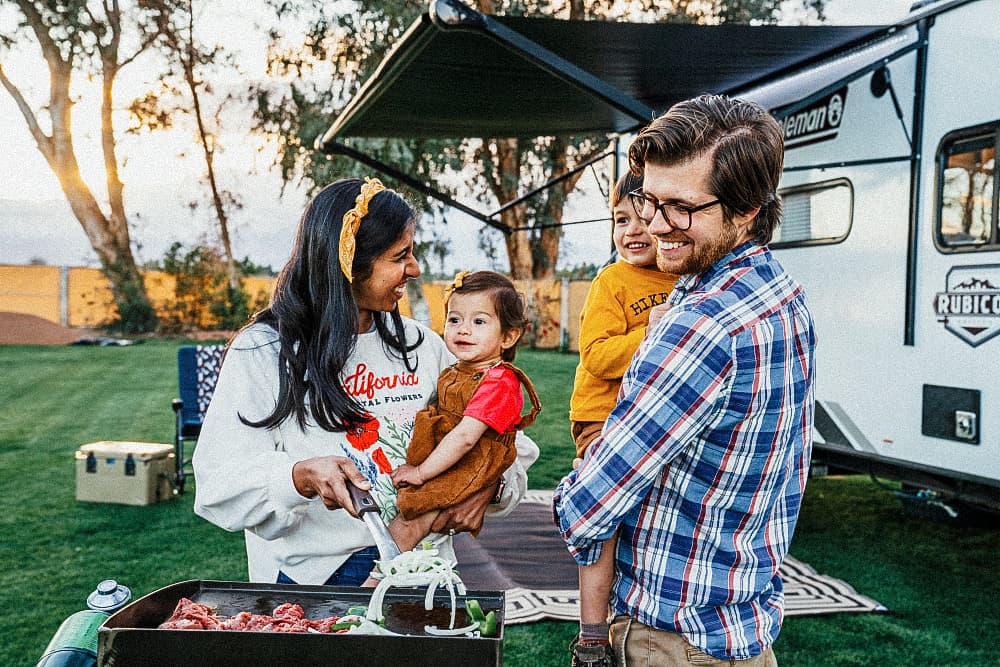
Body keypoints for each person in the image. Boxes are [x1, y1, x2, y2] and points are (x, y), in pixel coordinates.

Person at [554, 94, 817, 667]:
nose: (654, 224)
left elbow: (588, 509)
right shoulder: (782, 293)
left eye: (679, 207)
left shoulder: (701, 327)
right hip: (740, 628)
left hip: (672, 642)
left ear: (746, 210)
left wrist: (577, 480)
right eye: (650, 200)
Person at [193, 177, 537, 587]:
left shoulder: (424, 347)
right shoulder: (264, 351)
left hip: (426, 575)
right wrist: (300, 476)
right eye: (400, 256)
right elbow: (218, 485)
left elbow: (511, 448)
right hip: (320, 582)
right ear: (349, 264)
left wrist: (490, 488)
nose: (415, 268)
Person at [359, 271, 541, 585]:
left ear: (509, 337)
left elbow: (466, 437)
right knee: (414, 518)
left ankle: (373, 583)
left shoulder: (498, 381)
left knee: (411, 519)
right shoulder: (459, 370)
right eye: (454, 319)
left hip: (469, 464)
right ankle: (400, 571)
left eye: (479, 322)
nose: (463, 329)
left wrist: (420, 473)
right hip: (452, 461)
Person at [568, 172, 678, 665]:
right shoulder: (612, 281)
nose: (632, 230)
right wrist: (651, 333)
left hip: (649, 422)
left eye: (642, 218)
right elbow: (595, 355)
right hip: (602, 418)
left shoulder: (681, 279)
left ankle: (639, 607)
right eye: (620, 220)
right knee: (604, 513)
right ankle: (592, 634)